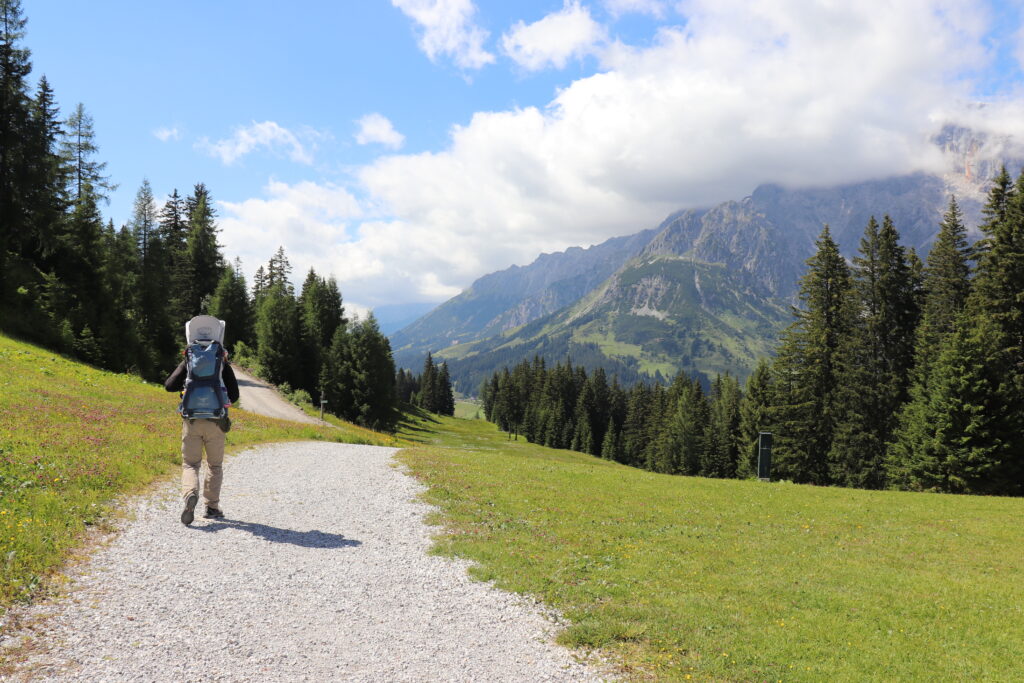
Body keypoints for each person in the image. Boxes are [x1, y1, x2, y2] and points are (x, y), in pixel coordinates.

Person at [164, 323, 240, 526]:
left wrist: (186, 369)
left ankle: (190, 495)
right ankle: (212, 507)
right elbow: (235, 395)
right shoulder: (221, 362)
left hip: (192, 421)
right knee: (214, 465)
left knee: (190, 464)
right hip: (216, 421)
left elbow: (169, 386)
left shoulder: (190, 360)